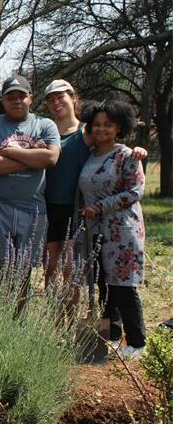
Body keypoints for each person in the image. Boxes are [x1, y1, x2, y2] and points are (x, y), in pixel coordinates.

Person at [43, 79, 147, 285]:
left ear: (73, 98)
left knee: (71, 269)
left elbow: (111, 142)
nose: (56, 102)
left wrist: (137, 150)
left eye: (60, 97)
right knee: (50, 266)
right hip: (48, 205)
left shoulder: (87, 131)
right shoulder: (45, 130)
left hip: (76, 208)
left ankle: (73, 308)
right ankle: (52, 308)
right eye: (51, 99)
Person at [0, 75, 60, 290]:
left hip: (32, 206)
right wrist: (32, 157)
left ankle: (19, 311)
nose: (16, 101)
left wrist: (9, 152)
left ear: (30, 98)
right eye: (10, 97)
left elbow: (50, 158)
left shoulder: (45, 125)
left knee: (24, 272)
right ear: (2, 100)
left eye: (21, 96)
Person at [78, 100, 147, 360]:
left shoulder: (127, 155)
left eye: (108, 124)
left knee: (123, 286)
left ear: (119, 127)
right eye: (96, 124)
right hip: (96, 230)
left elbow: (135, 191)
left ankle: (137, 342)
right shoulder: (91, 154)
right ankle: (112, 336)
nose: (101, 129)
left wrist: (100, 207)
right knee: (104, 285)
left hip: (122, 230)